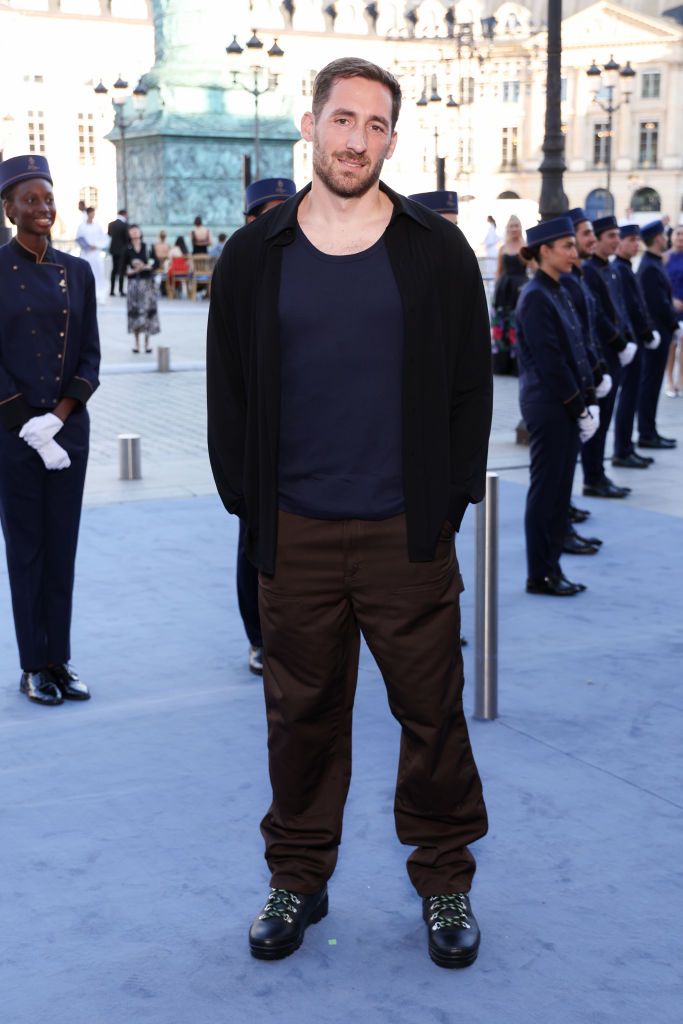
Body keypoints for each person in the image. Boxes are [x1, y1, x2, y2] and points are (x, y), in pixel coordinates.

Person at [207, 57, 492, 968]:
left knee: (432, 717)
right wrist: (256, 512)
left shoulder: (432, 249)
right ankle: (297, 875)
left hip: (404, 535)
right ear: (310, 124)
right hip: (294, 533)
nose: (355, 140)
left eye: (374, 125)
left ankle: (444, 883)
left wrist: (440, 508)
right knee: (301, 721)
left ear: (391, 141)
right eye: (342, 120)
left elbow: (466, 393)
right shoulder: (256, 256)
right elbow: (229, 393)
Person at [0, 154, 100, 705]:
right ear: (9, 207)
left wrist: (58, 417)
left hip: (66, 434)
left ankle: (60, 658)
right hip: (12, 435)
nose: (44, 208)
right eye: (31, 200)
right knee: (27, 550)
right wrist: (25, 420)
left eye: (48, 199)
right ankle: (32, 665)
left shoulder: (78, 272)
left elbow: (89, 355)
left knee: (62, 548)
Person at [234, 177, 298, 676]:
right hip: (258, 430)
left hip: (306, 434)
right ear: (252, 222)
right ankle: (258, 635)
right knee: (255, 535)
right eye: (272, 212)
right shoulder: (240, 273)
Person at [516, 216, 597, 596]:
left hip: (562, 403)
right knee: (547, 489)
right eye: (566, 246)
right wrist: (578, 407)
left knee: (560, 488)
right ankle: (540, 572)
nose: (573, 252)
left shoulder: (557, 289)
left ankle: (551, 566)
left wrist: (586, 400)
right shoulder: (535, 295)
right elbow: (551, 362)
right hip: (549, 404)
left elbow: (575, 350)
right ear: (544, 251)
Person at [581, 215, 637, 498]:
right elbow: (599, 316)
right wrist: (618, 343)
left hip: (615, 354)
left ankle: (598, 475)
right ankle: (593, 477)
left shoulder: (611, 269)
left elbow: (619, 309)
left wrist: (626, 339)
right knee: (598, 421)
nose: (616, 240)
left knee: (606, 418)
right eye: (611, 236)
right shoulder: (591, 270)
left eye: (618, 235)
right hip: (603, 354)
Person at [612, 224, 660, 467]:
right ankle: (622, 449)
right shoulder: (619, 270)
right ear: (619, 243)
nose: (636, 244)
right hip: (629, 343)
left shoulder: (625, 268)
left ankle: (626, 447)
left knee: (631, 396)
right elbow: (629, 308)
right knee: (628, 396)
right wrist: (642, 332)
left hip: (635, 341)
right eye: (630, 239)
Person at [637, 220, 679, 448]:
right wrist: (674, 325)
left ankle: (650, 430)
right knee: (650, 383)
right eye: (663, 235)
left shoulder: (653, 263)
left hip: (661, 331)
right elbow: (658, 303)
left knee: (652, 383)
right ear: (657, 239)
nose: (666, 238)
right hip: (657, 332)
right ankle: (646, 433)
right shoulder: (650, 266)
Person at [491, 215, 528, 375]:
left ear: (520, 228)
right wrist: (495, 292)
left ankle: (516, 365)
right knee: (501, 326)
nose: (514, 229)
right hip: (503, 290)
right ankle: (501, 365)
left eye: (517, 225)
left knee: (516, 325)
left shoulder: (526, 247)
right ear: (507, 228)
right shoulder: (502, 248)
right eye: (511, 226)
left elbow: (533, 267)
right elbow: (499, 272)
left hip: (519, 290)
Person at [124, 225, 160, 354]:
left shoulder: (148, 247)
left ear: (140, 232)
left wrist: (145, 266)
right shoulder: (127, 249)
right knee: (135, 314)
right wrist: (134, 269)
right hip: (134, 284)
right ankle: (136, 343)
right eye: (132, 230)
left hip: (147, 284)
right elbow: (122, 269)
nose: (134, 232)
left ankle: (147, 343)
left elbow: (156, 263)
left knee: (148, 313)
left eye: (136, 230)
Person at [663, 224, 683, 396]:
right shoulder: (664, 258)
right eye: (678, 234)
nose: (681, 237)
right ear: (671, 236)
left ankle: (680, 379)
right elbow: (660, 285)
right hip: (671, 308)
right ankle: (669, 380)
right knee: (672, 344)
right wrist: (671, 300)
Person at [76, 206, 108, 303]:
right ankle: (86, 295)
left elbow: (103, 238)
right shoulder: (81, 226)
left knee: (98, 274)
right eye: (91, 213)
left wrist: (97, 245)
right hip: (86, 253)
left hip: (96, 253)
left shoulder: (97, 225)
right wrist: (86, 246)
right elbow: (78, 238)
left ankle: (100, 294)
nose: (92, 215)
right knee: (86, 273)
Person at [107, 208, 129, 297]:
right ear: (124, 214)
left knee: (114, 270)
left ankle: (112, 290)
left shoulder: (111, 224)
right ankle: (120, 290)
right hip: (122, 251)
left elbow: (109, 235)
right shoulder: (125, 225)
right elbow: (127, 239)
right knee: (121, 270)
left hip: (113, 250)